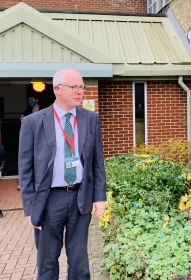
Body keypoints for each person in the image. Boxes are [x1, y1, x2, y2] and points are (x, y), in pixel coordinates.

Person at [18, 69, 107, 279]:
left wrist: (99, 196)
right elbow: (25, 168)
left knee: (80, 261)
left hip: (80, 197)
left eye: (81, 87)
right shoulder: (34, 122)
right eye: (74, 87)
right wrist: (31, 206)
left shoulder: (90, 118)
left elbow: (97, 160)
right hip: (49, 199)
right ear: (57, 89)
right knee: (47, 261)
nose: (80, 91)